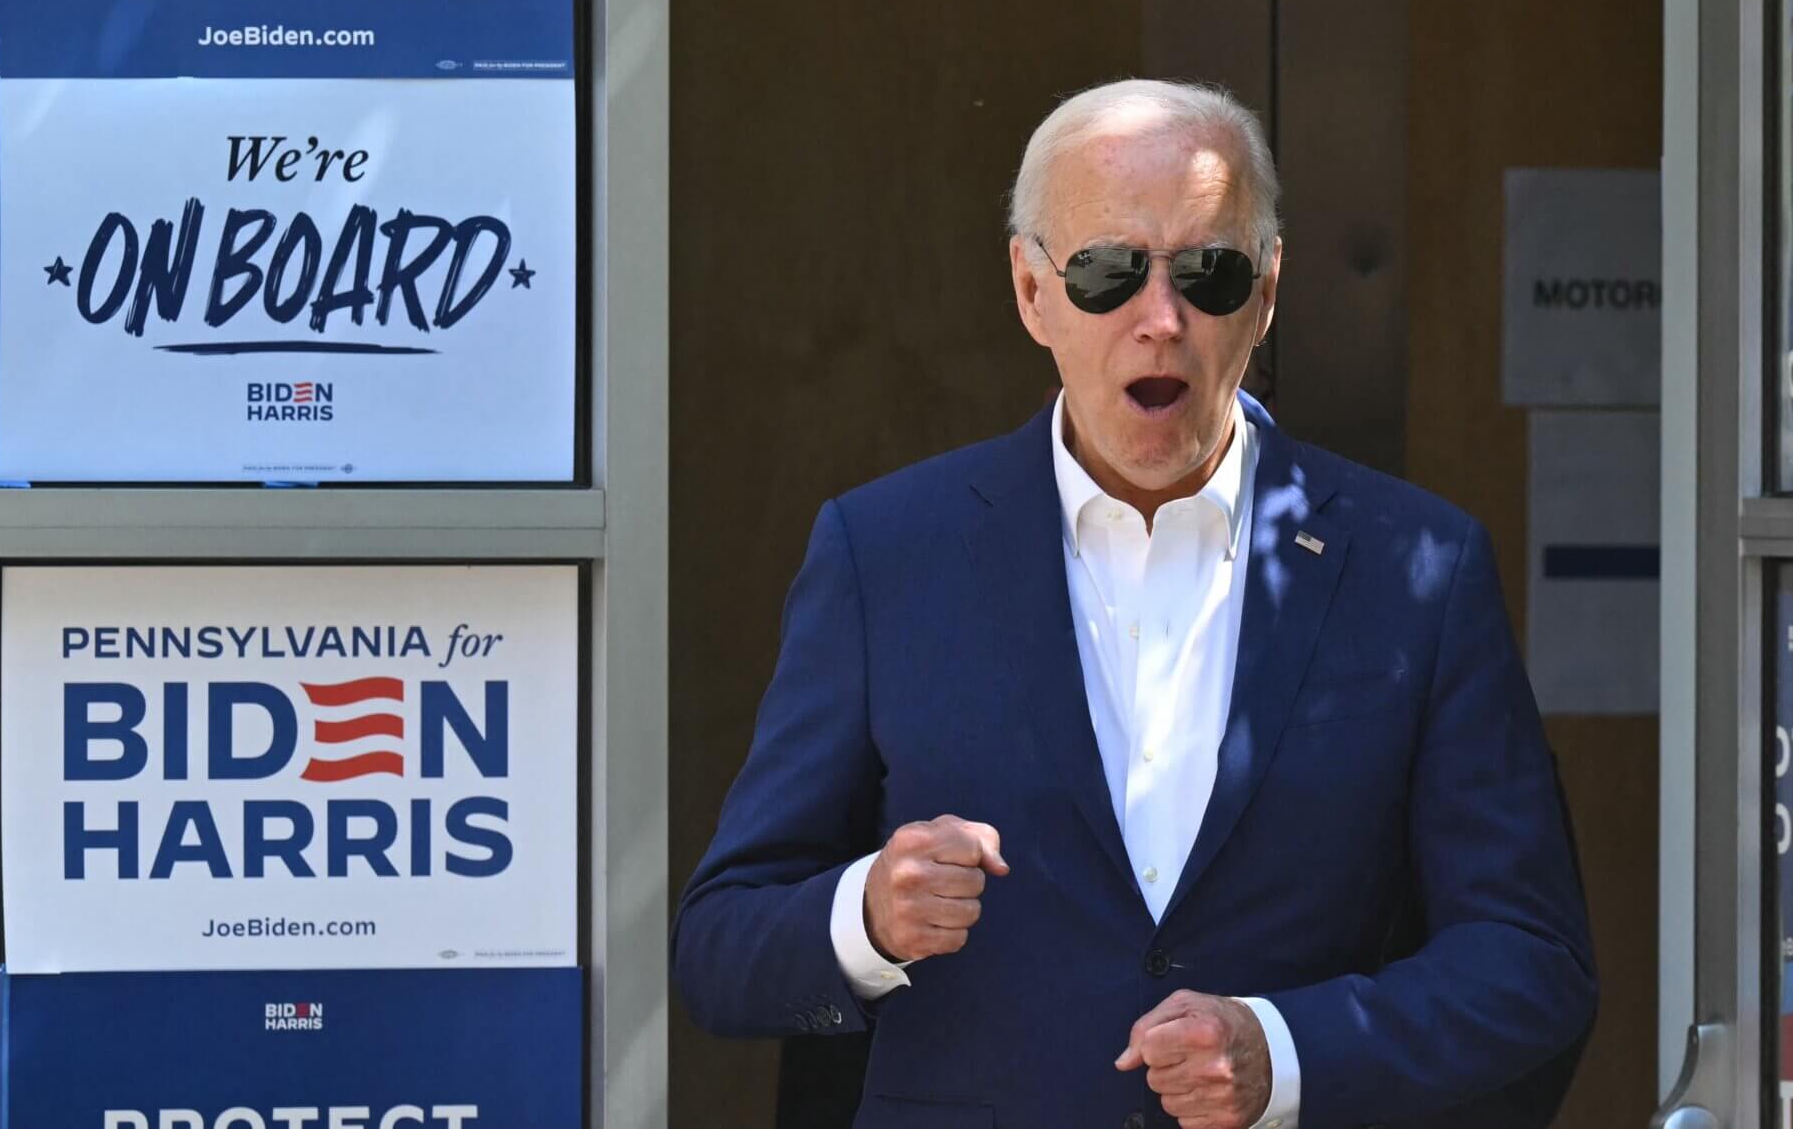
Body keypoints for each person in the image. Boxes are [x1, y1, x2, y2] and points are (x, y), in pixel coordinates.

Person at [672, 80, 1596, 1128]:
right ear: (1033, 293)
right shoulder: (885, 552)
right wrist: (868, 918)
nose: (1161, 320)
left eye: (1210, 272)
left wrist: (1286, 1054)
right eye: (1108, 272)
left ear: (1268, 291)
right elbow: (720, 948)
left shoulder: (1417, 565)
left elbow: (1533, 961)